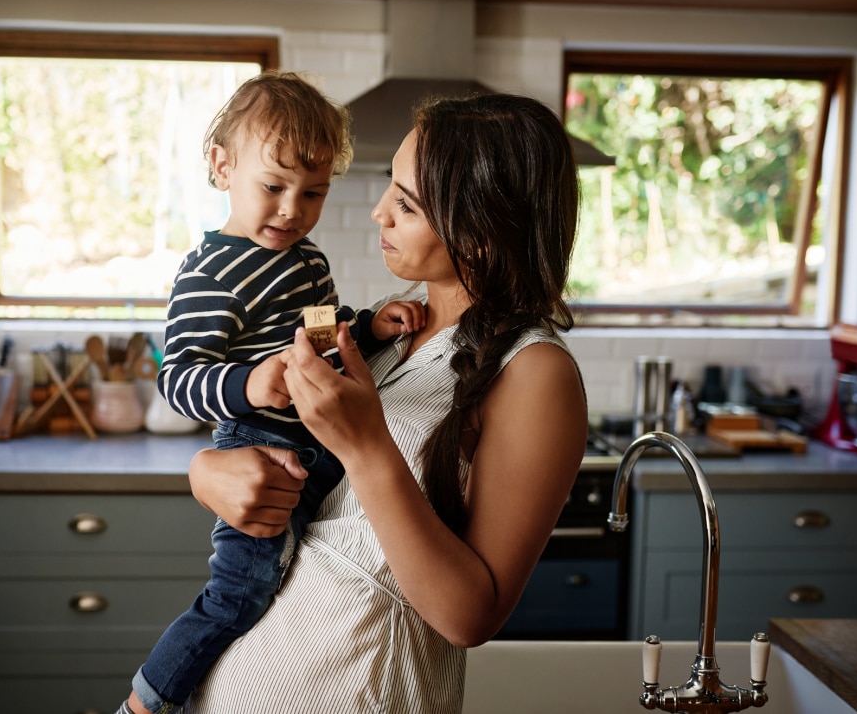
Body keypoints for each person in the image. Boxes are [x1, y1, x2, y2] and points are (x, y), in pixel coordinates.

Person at [125, 91, 591, 714]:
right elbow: (313, 496)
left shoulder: (536, 374)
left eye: (405, 203)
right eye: (388, 190)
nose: (378, 213)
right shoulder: (393, 334)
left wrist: (366, 445)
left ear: (478, 231)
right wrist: (207, 471)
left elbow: (469, 615)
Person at [128, 70, 425, 714]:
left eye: (313, 193)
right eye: (274, 186)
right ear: (221, 165)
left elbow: (321, 338)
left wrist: (367, 326)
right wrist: (247, 382)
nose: (292, 209)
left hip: (316, 444)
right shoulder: (210, 272)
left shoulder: (308, 261)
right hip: (259, 445)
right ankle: (147, 700)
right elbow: (178, 379)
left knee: (294, 588)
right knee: (238, 595)